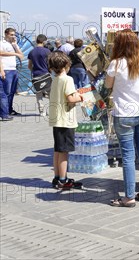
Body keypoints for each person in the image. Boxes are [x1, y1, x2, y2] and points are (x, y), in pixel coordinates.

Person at [105, 29, 139, 207]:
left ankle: (128, 197)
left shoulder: (116, 64)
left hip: (124, 115)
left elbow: (107, 85)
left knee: (127, 156)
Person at [47, 51, 84, 190]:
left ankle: (57, 177)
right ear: (67, 65)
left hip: (57, 119)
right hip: (66, 120)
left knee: (58, 149)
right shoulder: (67, 79)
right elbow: (70, 98)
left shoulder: (55, 79)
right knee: (64, 152)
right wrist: (80, 97)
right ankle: (63, 179)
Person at [0, 27, 24, 119]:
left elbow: (21, 56)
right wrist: (15, 54)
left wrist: (14, 45)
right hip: (6, 69)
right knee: (5, 92)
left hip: (14, 70)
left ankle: (8, 110)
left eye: (14, 34)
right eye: (11, 34)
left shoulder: (14, 44)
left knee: (12, 92)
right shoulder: (2, 43)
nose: (13, 36)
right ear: (6, 34)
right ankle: (4, 113)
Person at [28, 34, 52, 115]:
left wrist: (34, 70)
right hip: (46, 74)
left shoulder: (31, 52)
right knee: (50, 94)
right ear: (43, 41)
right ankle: (52, 110)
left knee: (39, 94)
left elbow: (29, 66)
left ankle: (42, 111)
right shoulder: (47, 51)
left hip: (36, 75)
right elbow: (50, 64)